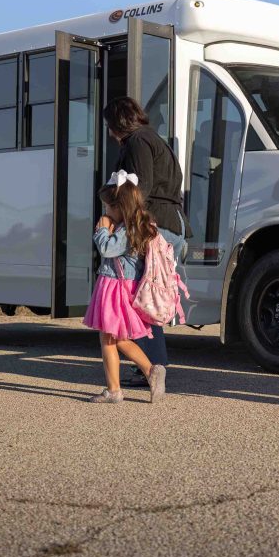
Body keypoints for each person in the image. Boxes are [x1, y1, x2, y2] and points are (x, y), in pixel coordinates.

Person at [104, 97, 188, 387]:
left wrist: (121, 219)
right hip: (168, 223)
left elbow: (142, 188)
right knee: (146, 296)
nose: (109, 132)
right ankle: (151, 367)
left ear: (117, 123)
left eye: (109, 125)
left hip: (156, 224)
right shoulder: (152, 138)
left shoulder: (138, 141)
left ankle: (153, 368)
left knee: (139, 297)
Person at [82, 174, 166, 404]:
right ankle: (144, 375)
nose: (106, 210)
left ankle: (124, 385)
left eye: (109, 206)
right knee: (114, 338)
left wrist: (102, 229)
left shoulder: (125, 230)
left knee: (110, 338)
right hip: (118, 286)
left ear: (121, 207)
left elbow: (107, 250)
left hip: (116, 288)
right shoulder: (136, 225)